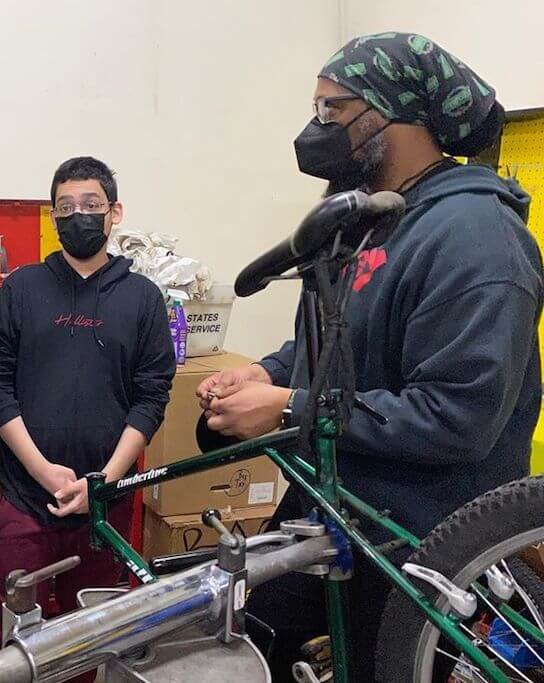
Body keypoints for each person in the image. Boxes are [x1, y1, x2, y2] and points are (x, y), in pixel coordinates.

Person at [196, 33, 543, 680]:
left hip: (423, 553)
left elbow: (457, 415)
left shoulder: (477, 240)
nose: (315, 128)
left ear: (394, 116)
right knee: (247, 637)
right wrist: (268, 373)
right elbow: (329, 343)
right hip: (336, 517)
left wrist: (288, 408)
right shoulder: (368, 224)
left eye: (333, 110)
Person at [0, 156, 176, 656]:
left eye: (91, 205)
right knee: (12, 638)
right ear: (52, 217)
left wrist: (103, 481)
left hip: (103, 507)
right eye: (65, 207)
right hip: (23, 498)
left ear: (115, 212)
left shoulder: (144, 298)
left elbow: (152, 397)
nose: (78, 215)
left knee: (90, 637)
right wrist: (43, 470)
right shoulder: (21, 289)